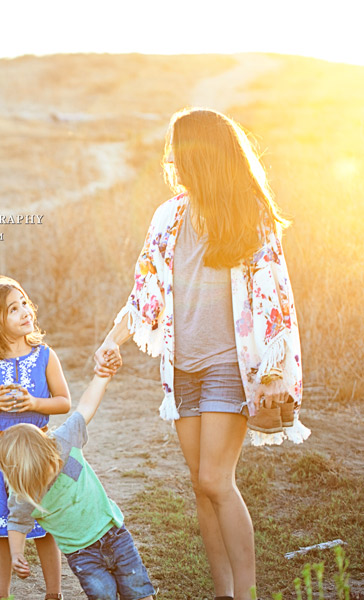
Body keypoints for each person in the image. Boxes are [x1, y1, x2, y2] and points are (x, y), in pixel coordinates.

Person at [94, 107, 308, 600]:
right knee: (200, 484)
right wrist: (113, 338)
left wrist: (278, 378)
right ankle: (223, 593)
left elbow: (276, 302)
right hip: (181, 368)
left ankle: (248, 593)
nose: (172, 159)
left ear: (203, 154)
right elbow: (145, 292)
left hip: (231, 368)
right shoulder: (169, 216)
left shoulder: (248, 214)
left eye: (179, 148)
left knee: (216, 478)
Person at [0, 368, 156, 600]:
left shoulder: (63, 441)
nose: (48, 476)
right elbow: (17, 522)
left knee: (139, 593)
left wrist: (102, 377)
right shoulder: (25, 493)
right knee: (103, 596)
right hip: (82, 554)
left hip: (115, 535)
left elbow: (85, 408)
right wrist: (16, 554)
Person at [0, 276, 72, 600]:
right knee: (2, 526)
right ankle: (1, 594)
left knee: (44, 526)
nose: (25, 311)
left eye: (24, 302)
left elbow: (64, 401)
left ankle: (54, 593)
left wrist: (35, 403)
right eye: (14, 309)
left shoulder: (44, 356)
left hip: (38, 452)